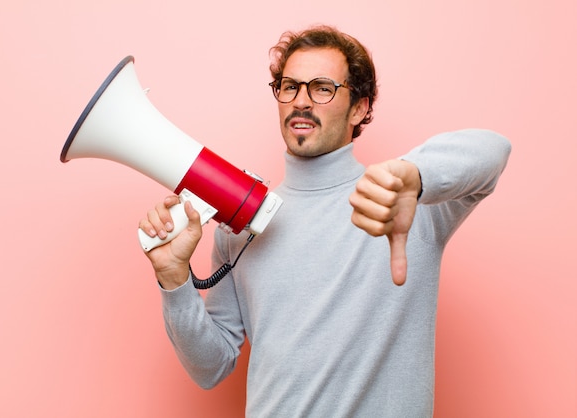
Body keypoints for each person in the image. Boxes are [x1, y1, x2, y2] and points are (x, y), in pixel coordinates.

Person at [139, 25, 511, 417]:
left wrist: (416, 178)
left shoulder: (399, 201)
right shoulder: (243, 226)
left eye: (322, 88)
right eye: (289, 86)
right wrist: (174, 278)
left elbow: (494, 150)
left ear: (360, 108)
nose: (301, 101)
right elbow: (210, 367)